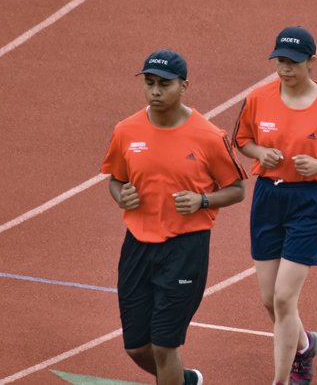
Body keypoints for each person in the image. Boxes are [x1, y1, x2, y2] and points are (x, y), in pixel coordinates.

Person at [101, 49, 248, 385]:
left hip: (185, 249)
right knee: (138, 347)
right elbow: (115, 180)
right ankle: (184, 381)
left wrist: (203, 199)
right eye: (150, 83)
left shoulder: (210, 137)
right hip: (137, 245)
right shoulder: (126, 131)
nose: (155, 91)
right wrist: (120, 195)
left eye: (164, 84)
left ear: (184, 86)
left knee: (165, 345)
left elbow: (237, 189)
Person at [233, 27, 317, 385]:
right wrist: (261, 152)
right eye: (280, 62)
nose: (285, 69)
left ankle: (283, 378)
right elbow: (241, 139)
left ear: (312, 62)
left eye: (293, 62)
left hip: (308, 201)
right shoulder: (259, 98)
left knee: (284, 297)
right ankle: (304, 345)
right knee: (268, 299)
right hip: (268, 197)